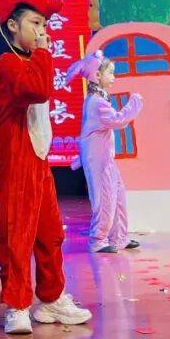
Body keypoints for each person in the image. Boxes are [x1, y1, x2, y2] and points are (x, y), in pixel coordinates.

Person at [0, 0, 93, 334]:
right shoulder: (8, 63)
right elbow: (38, 90)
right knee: (18, 231)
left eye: (44, 24)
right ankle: (17, 304)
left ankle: (51, 298)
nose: (42, 31)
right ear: (12, 25)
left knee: (49, 232)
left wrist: (41, 53)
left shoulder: (30, 58)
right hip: (15, 156)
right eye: (35, 23)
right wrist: (43, 52)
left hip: (37, 155)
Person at [68, 50, 143, 253]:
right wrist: (134, 104)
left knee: (118, 195)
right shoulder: (96, 102)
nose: (113, 77)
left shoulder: (98, 99)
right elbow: (117, 120)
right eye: (110, 73)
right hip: (98, 160)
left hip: (105, 157)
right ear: (97, 75)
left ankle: (119, 237)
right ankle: (98, 239)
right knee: (105, 198)